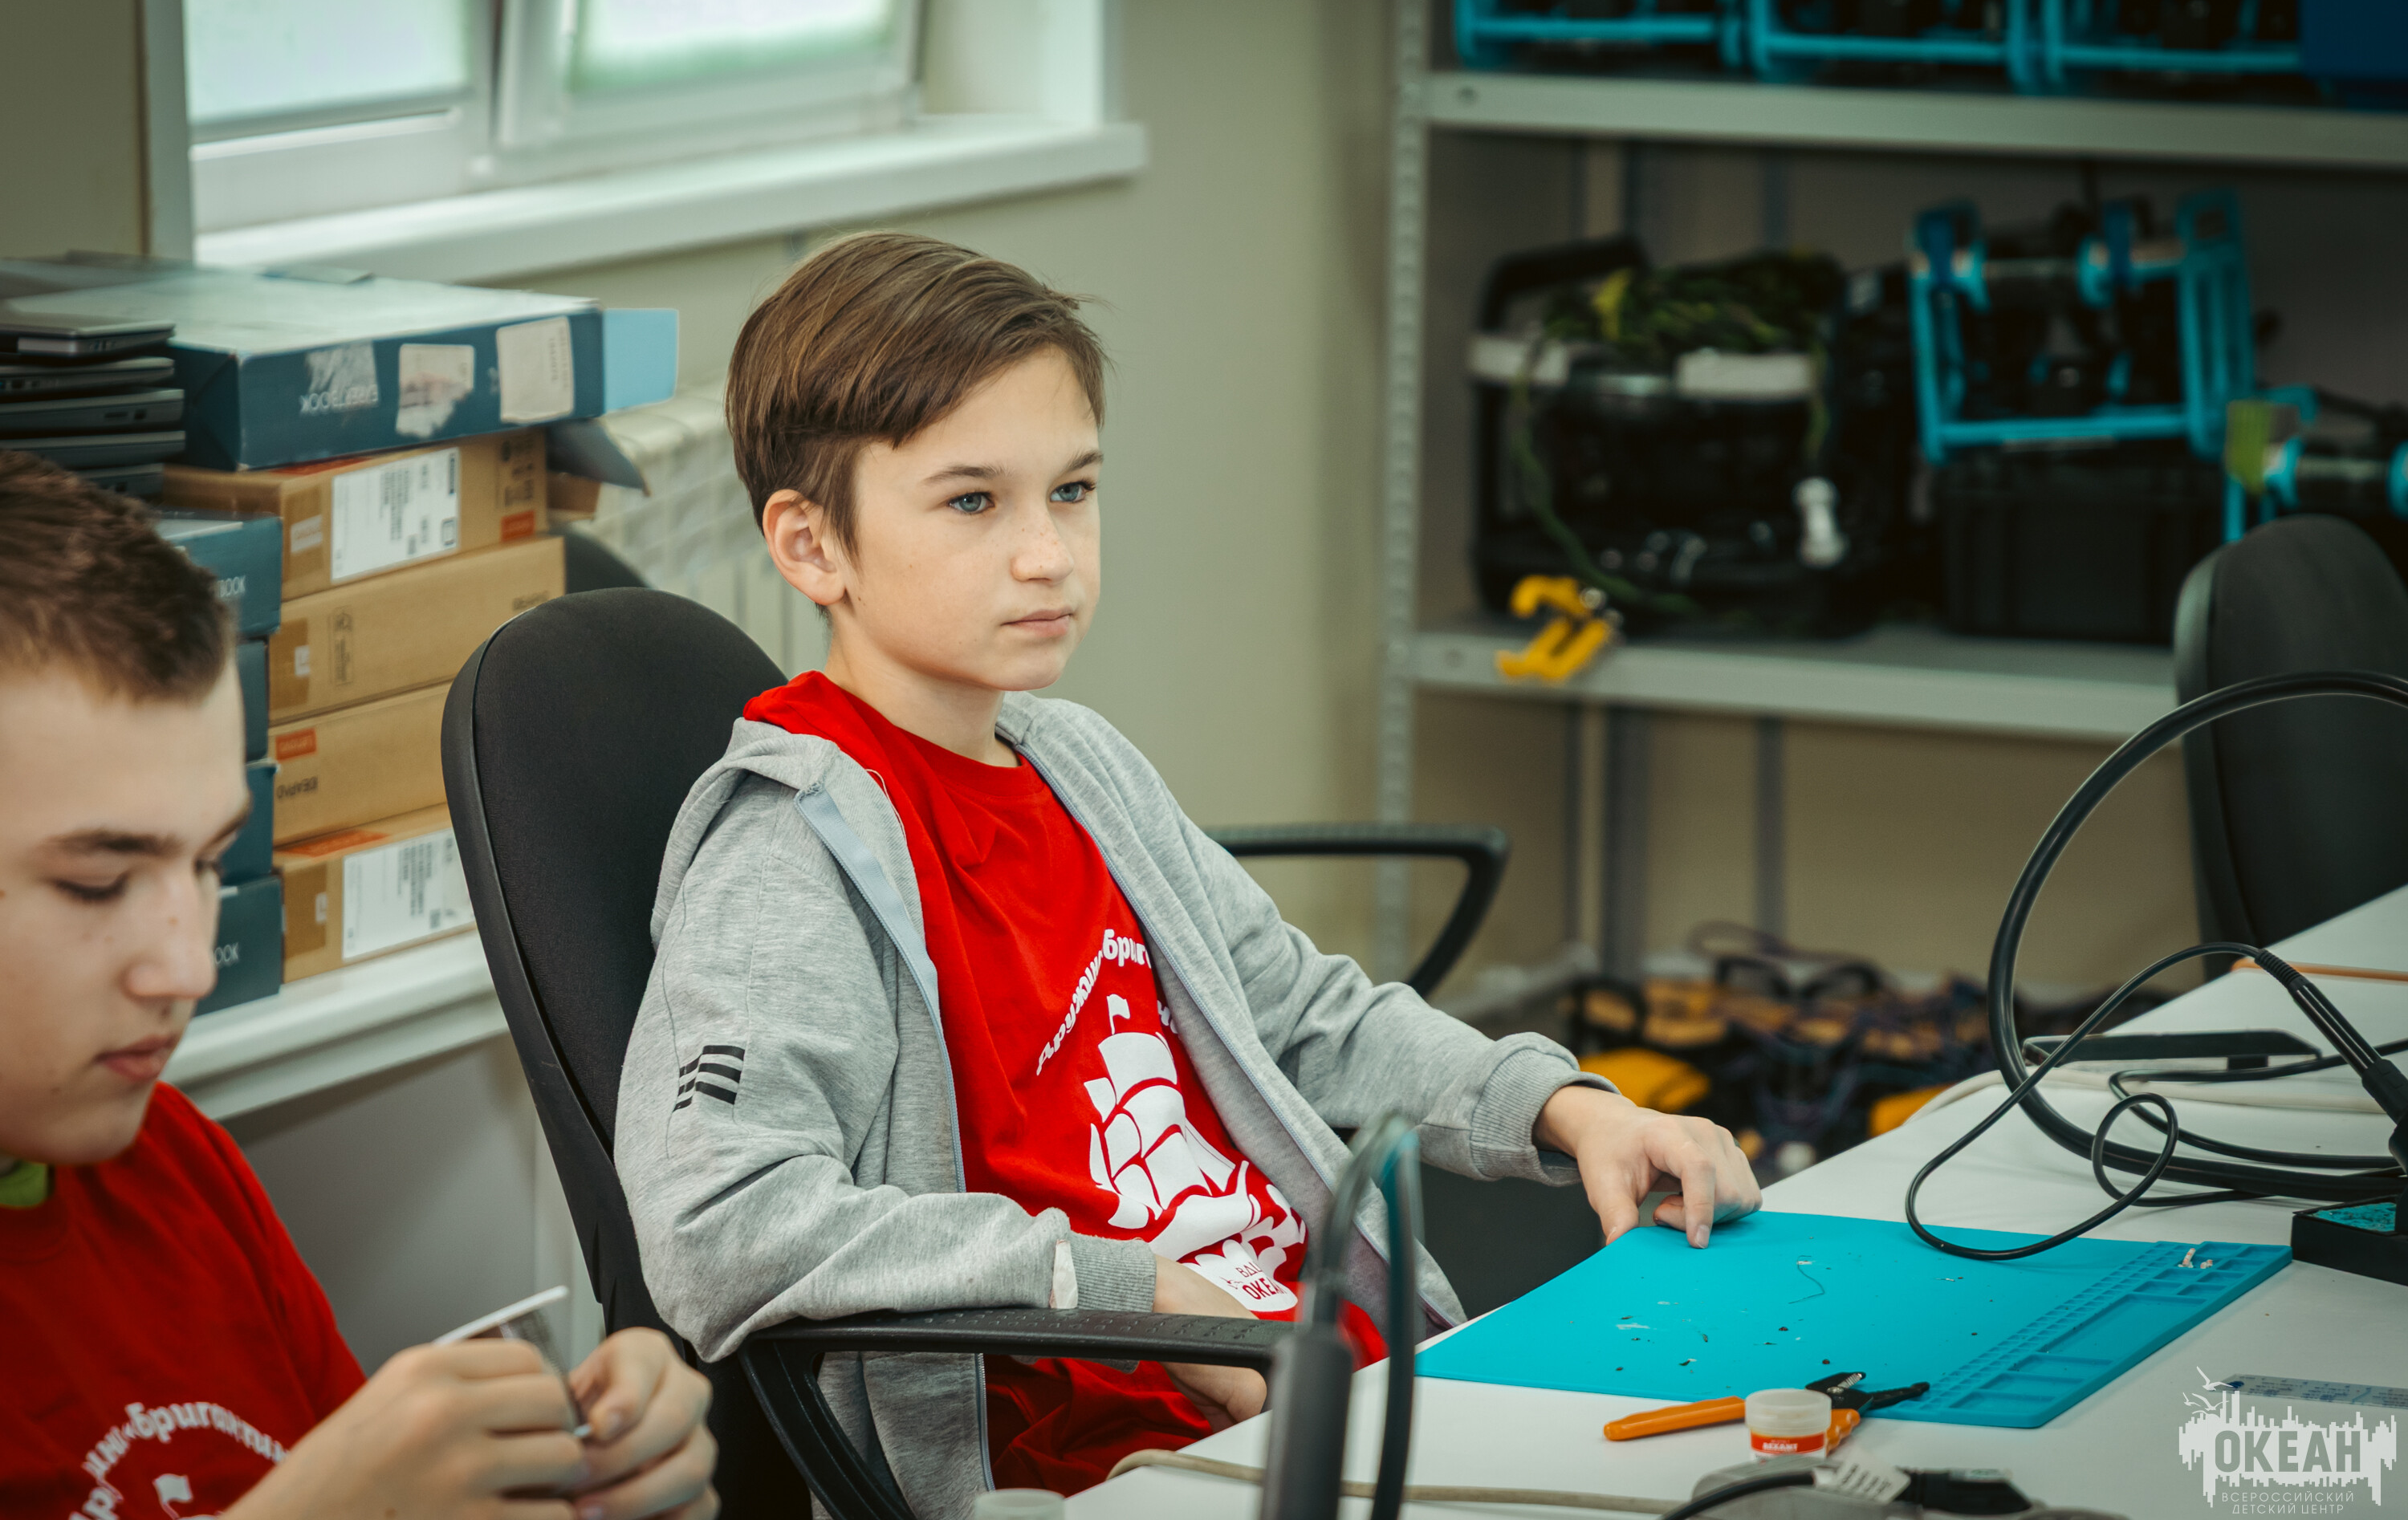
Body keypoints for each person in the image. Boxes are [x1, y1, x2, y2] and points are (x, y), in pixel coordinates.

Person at [616, 232, 1762, 1510]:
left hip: (1327, 1378)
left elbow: (1303, 1014)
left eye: (1072, 490)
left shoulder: (1074, 762)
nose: (1049, 554)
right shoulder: (792, 852)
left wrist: (1570, 1109)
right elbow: (719, 1224)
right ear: (811, 545)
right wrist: (1133, 1290)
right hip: (1112, 1460)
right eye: (973, 502)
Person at [0, 450, 719, 1520]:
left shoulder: (174, 1164)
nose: (187, 968)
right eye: (97, 883)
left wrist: (571, 1482)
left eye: (211, 864)